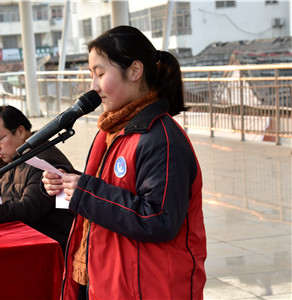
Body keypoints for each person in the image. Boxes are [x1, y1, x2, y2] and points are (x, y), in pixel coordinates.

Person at [42, 26, 207, 299]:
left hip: (149, 287)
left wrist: (85, 192)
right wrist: (67, 184)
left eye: (101, 74)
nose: (93, 87)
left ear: (134, 71)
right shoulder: (112, 130)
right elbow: (115, 190)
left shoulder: (160, 138)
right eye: (91, 76)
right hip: (107, 278)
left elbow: (159, 218)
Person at [0, 105, 75, 250]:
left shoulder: (43, 159)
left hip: (54, 246)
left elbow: (28, 209)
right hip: (30, 239)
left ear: (20, 132)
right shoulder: (21, 155)